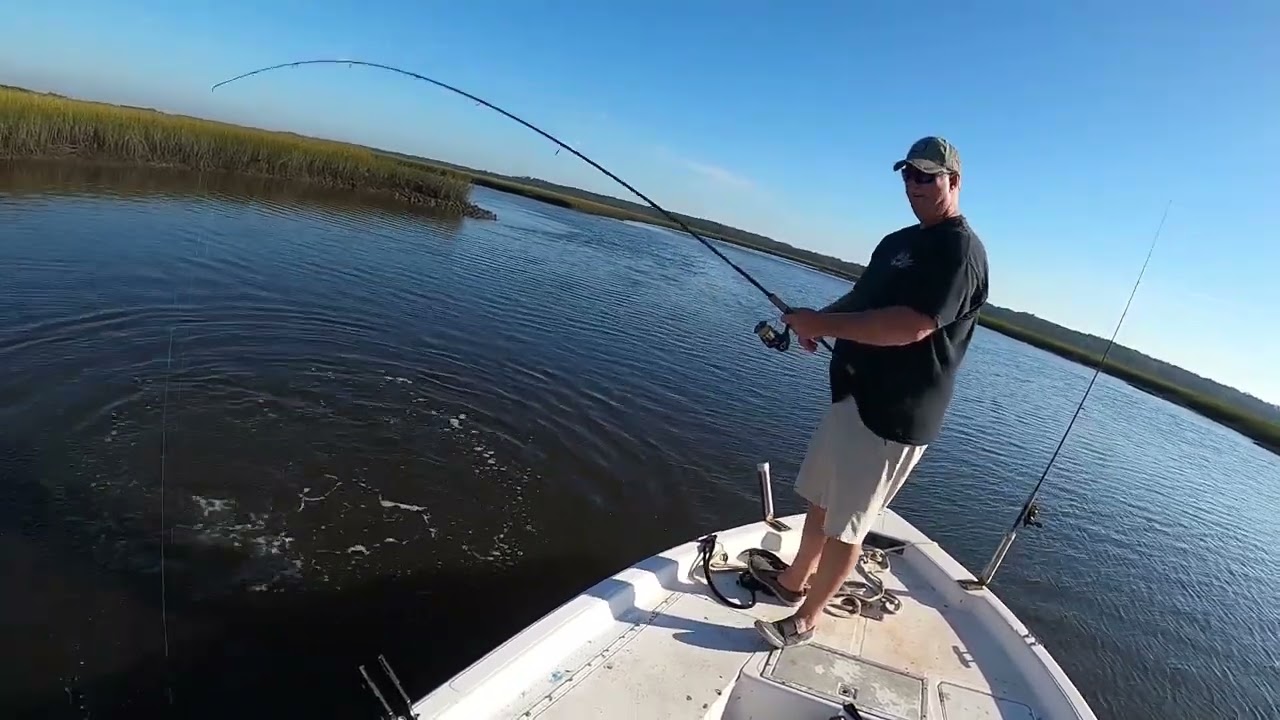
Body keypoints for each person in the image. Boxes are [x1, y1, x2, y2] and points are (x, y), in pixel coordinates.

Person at [752, 136, 989, 649]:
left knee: (847, 525)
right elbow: (864, 298)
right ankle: (793, 582)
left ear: (954, 180)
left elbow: (912, 326)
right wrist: (818, 324)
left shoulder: (960, 251)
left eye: (927, 175)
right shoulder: (897, 243)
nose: (915, 185)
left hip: (893, 414)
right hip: (851, 397)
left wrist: (824, 321)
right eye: (908, 174)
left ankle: (807, 618)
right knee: (819, 501)